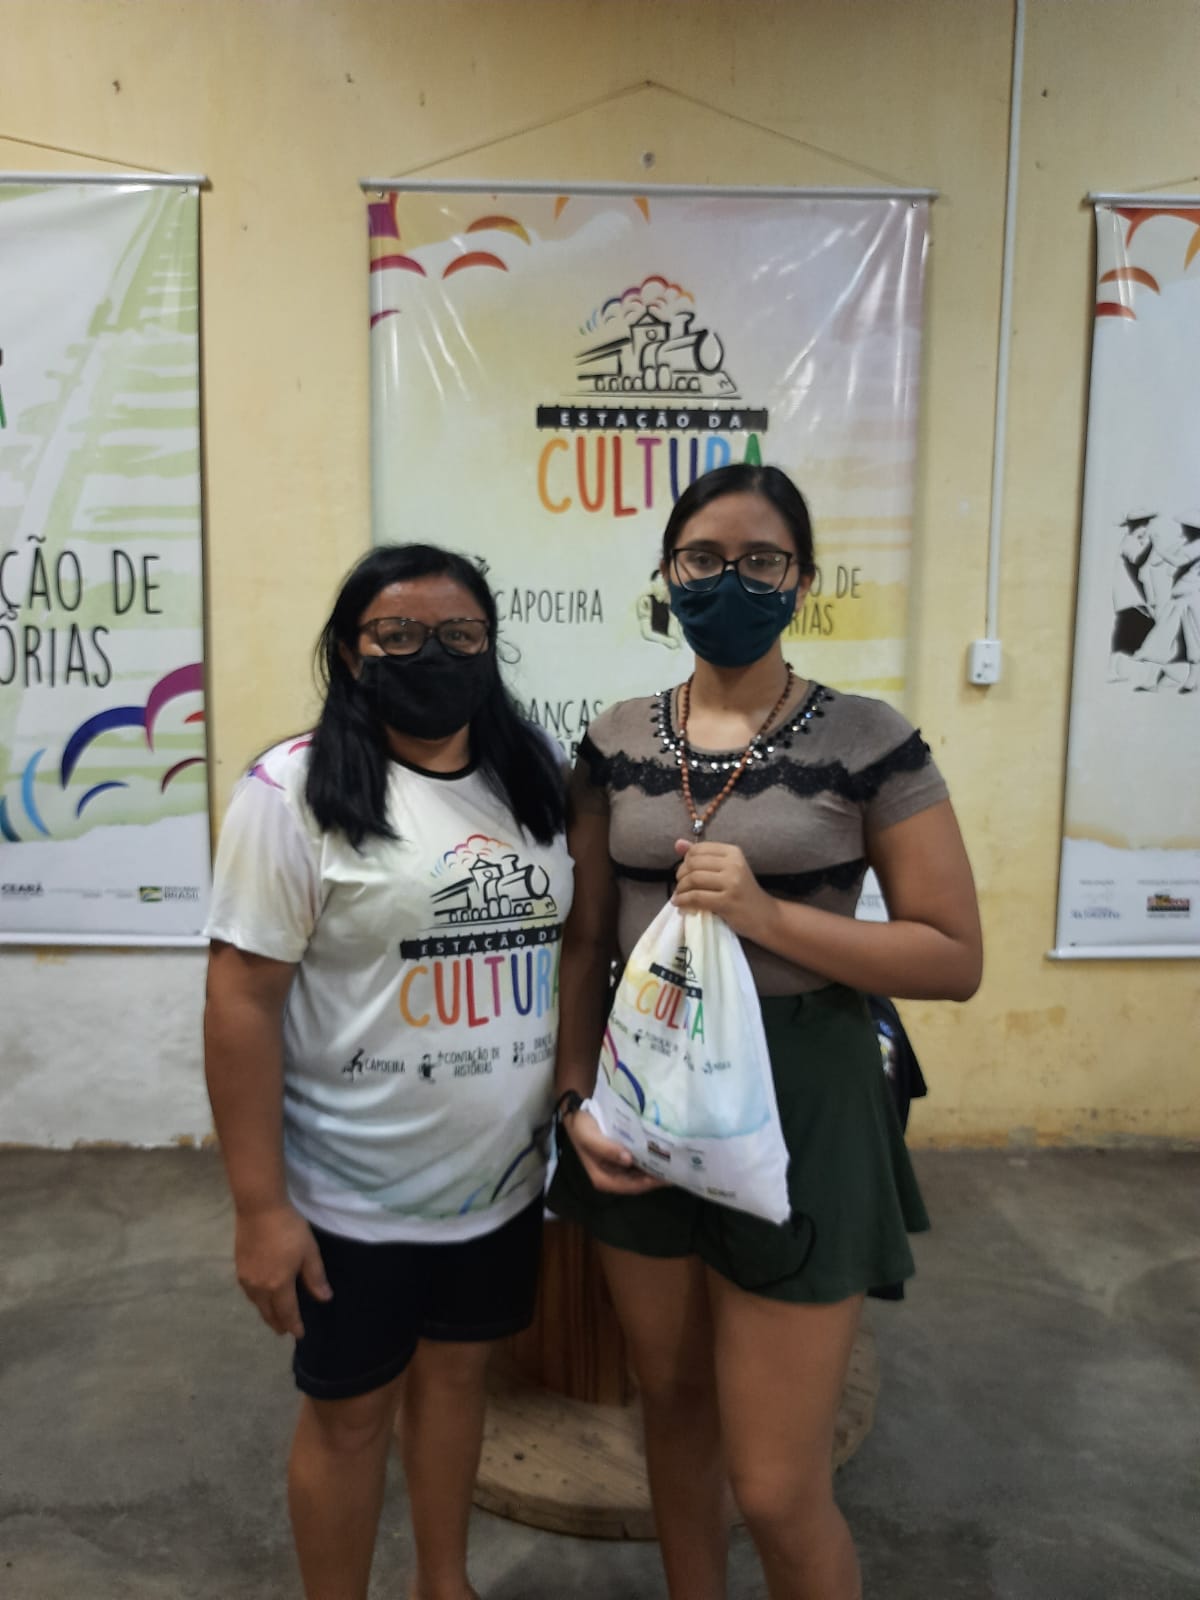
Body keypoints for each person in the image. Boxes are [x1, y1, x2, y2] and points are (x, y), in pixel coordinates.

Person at [549, 463, 982, 1600]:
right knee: (673, 1410)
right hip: (641, 1092)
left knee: (781, 1485)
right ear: (666, 572)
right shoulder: (614, 738)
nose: (728, 581)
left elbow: (953, 956)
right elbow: (583, 943)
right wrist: (572, 1098)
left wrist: (769, 916)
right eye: (702, 558)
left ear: (802, 580)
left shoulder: (871, 739)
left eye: (760, 561)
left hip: (806, 1097)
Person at [203, 544, 571, 1600]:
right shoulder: (291, 792)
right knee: (352, 1415)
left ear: (491, 647)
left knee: (456, 1381)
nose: (432, 655)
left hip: (501, 1183)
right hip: (351, 1197)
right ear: (348, 651)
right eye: (398, 635)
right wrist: (259, 1208)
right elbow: (241, 1005)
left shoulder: (530, 775)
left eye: (459, 634)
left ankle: (443, 1584)